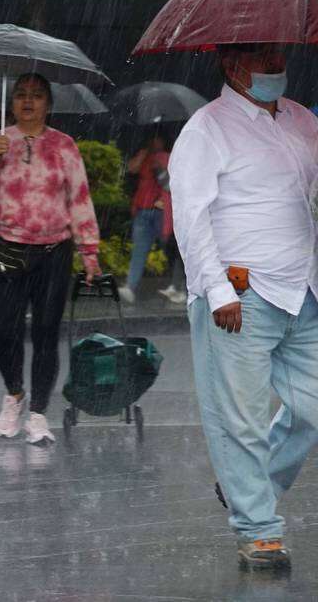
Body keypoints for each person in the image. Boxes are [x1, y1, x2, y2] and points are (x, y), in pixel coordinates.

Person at [171, 43, 318, 570]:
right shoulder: (206, 129)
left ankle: (244, 486)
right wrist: (217, 290)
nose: (277, 67)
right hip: (241, 293)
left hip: (304, 289)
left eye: (280, 57)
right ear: (232, 66)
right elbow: (190, 215)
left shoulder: (302, 119)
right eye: (265, 59)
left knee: (311, 412)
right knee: (241, 421)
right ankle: (258, 528)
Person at [0, 72, 101, 445]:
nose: (28, 101)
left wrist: (89, 252)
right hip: (8, 249)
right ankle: (14, 395)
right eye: (21, 95)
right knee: (5, 332)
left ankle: (38, 412)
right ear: (13, 103)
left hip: (54, 252)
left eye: (36, 96)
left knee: (45, 333)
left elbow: (79, 198)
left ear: (48, 104)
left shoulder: (64, 146)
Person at [119, 135, 184, 305]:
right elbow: (132, 168)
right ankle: (131, 287)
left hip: (161, 213)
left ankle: (178, 286)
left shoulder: (167, 157)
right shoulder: (145, 156)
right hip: (143, 210)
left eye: (157, 139)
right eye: (151, 139)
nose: (154, 142)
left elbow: (172, 182)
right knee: (139, 251)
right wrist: (144, 153)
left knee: (171, 250)